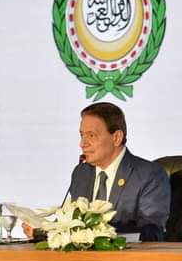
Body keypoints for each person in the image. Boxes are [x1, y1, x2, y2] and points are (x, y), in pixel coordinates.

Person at [63, 102, 170, 241]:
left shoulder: (149, 175)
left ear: (117, 137)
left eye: (91, 135)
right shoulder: (81, 173)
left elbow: (151, 232)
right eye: (82, 135)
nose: (82, 144)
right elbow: (71, 221)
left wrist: (98, 234)